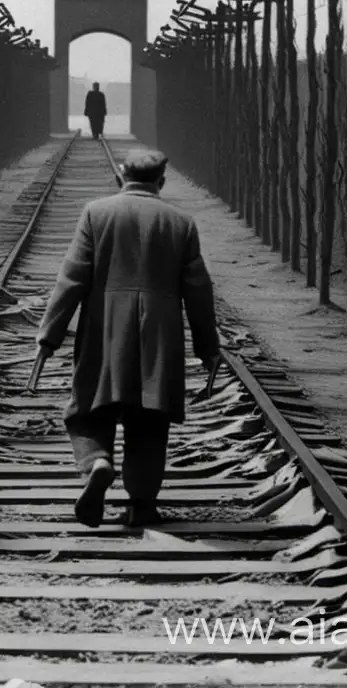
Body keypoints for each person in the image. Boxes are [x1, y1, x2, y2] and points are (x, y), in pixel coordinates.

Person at [35, 149, 221, 528]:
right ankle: (141, 506)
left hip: (105, 333)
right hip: (160, 339)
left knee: (88, 408)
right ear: (161, 182)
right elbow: (199, 291)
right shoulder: (181, 223)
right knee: (150, 419)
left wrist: (48, 336)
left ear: (121, 178)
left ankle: (97, 463)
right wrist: (208, 348)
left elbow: (71, 280)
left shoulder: (96, 213)